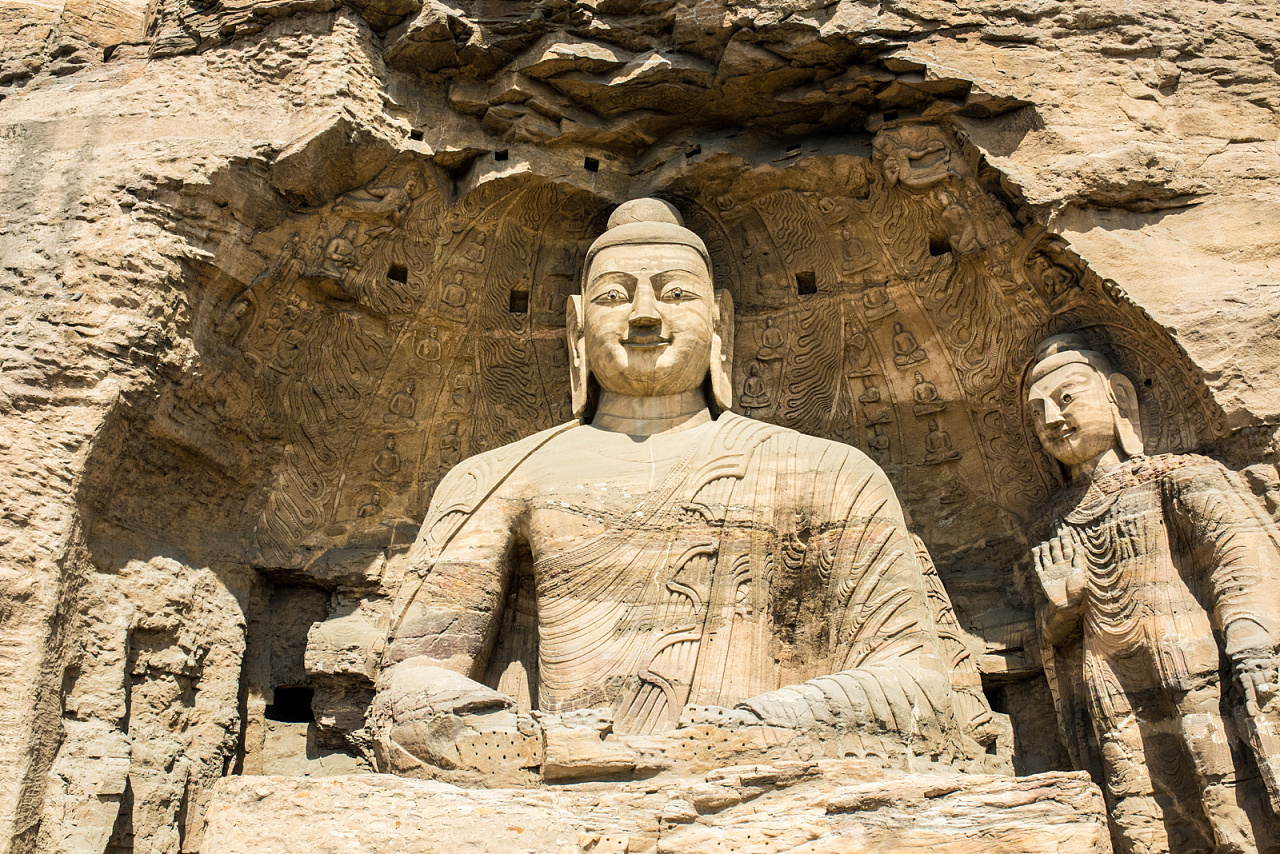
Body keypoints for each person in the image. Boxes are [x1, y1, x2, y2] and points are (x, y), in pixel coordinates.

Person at [373, 199, 989, 775]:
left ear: (719, 320)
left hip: (764, 774)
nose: (645, 315)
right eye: (614, 295)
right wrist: (535, 745)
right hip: (560, 775)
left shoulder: (829, 472)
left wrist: (737, 733)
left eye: (675, 294)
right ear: (576, 326)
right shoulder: (500, 478)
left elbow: (920, 687)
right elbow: (410, 687)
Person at [1026, 333, 1280, 854]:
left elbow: (1240, 556)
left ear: (1118, 396)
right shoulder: (1052, 524)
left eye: (1066, 398)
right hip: (1112, 690)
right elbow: (1052, 635)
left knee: (1236, 806)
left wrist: (1249, 637)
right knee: (1144, 818)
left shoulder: (1176, 475)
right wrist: (1063, 608)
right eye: (1037, 412)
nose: (1051, 418)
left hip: (1196, 671)